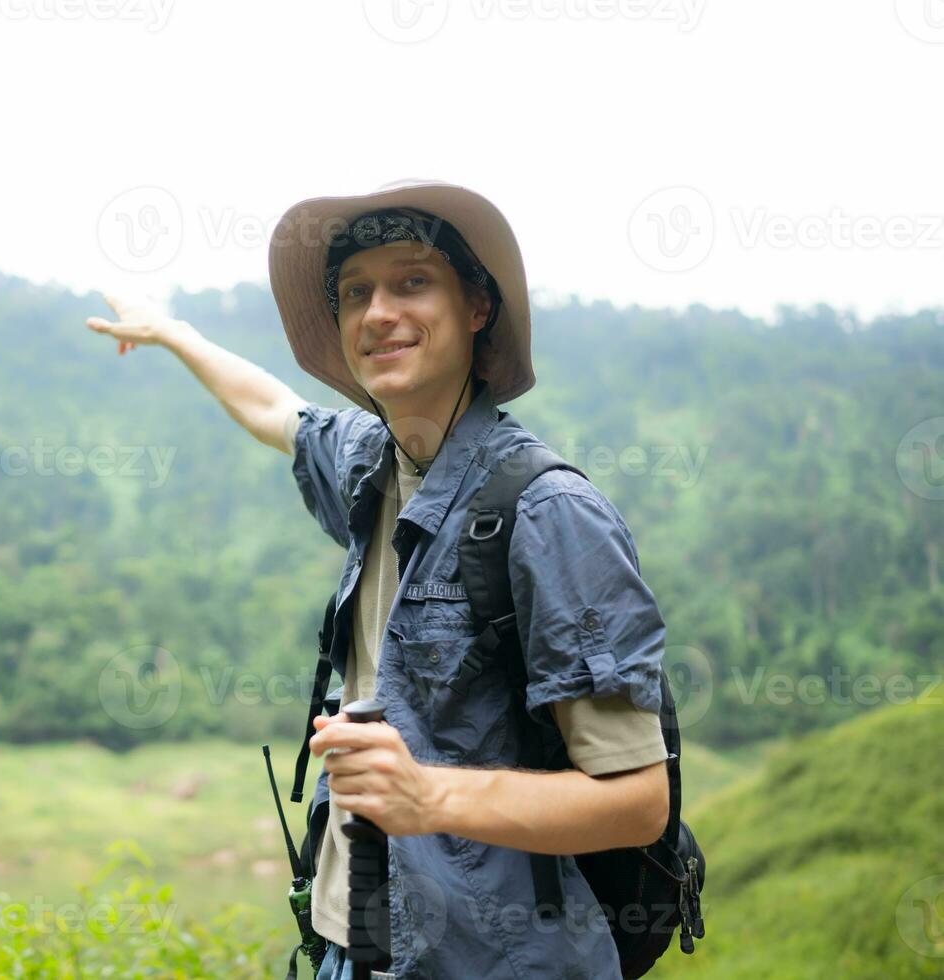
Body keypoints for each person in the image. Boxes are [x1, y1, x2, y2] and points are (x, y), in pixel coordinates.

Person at [86, 179, 671, 979]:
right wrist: (173, 332)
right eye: (356, 293)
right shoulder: (372, 464)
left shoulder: (549, 512)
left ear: (476, 309)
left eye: (412, 282)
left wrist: (428, 797)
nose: (377, 312)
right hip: (350, 949)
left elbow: (638, 803)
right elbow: (273, 410)